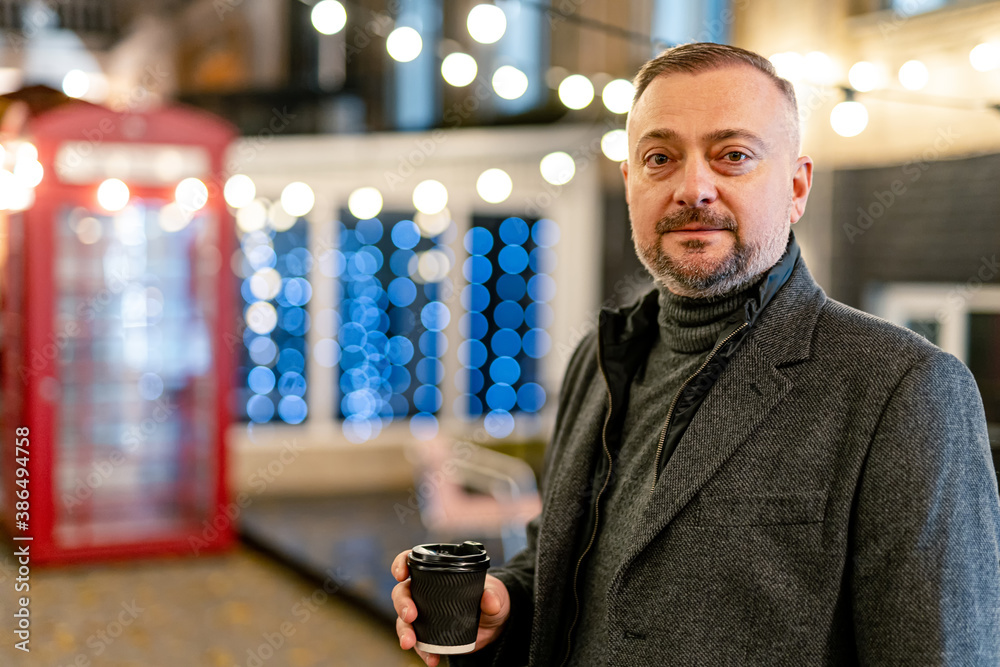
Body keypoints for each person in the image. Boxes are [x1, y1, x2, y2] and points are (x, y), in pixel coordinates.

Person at [390, 42, 1000, 666]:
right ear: (631, 184)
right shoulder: (597, 363)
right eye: (660, 158)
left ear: (795, 186)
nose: (693, 188)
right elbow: (565, 559)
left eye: (732, 156)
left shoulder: (904, 388)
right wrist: (507, 605)